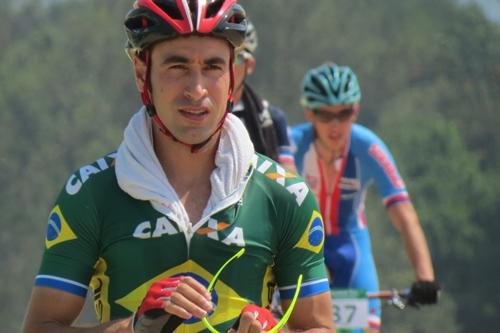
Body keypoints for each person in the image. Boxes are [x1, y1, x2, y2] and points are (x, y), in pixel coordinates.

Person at [21, 1, 335, 333]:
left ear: (233, 75)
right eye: (177, 67)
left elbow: (319, 327)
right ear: (143, 74)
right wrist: (134, 329)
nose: (196, 89)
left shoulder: (287, 197)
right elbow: (41, 327)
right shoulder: (90, 193)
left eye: (212, 66)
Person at [291, 63, 439, 332]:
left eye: (344, 113)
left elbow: (404, 214)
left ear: (355, 111)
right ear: (309, 113)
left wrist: (425, 278)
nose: (335, 125)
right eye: (325, 115)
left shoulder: (368, 146)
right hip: (302, 245)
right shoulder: (291, 143)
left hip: (351, 247)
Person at [231, 19, 296, 171]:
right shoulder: (193, 113)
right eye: (218, 58)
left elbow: (290, 184)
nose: (228, 65)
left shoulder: (272, 119)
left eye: (237, 57)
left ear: (250, 65)